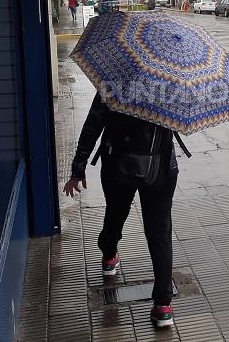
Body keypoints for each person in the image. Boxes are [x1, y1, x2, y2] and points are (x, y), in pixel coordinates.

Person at [64, 93, 180, 328]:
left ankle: (108, 256)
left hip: (118, 164)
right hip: (161, 168)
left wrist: (78, 169)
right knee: (160, 233)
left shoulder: (115, 79)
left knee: (116, 214)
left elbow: (92, 126)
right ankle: (163, 305)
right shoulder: (172, 85)